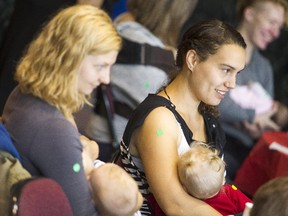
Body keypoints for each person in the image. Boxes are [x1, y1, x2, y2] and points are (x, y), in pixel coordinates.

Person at [116, 19, 246, 216]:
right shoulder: (160, 120)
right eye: (226, 70)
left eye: (237, 73)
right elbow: (175, 205)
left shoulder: (207, 117)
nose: (232, 84)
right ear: (192, 60)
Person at [1, 4, 122, 216]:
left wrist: (86, 150)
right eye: (100, 66)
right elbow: (83, 213)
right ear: (72, 59)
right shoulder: (53, 127)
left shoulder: (24, 92)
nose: (106, 79)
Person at [74, 0, 198, 162]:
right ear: (179, 13)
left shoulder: (120, 25)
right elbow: (174, 121)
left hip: (99, 137)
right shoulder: (153, 61)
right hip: (116, 154)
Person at [218, 0, 288, 180]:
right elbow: (212, 99)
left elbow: (264, 118)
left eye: (279, 27)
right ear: (250, 14)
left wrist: (260, 124)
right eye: (272, 23)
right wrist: (250, 116)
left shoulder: (264, 68)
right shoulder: (218, 47)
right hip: (212, 138)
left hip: (245, 153)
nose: (275, 33)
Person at [177, 141, 251, 215]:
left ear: (184, 187)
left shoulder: (187, 203)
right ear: (223, 180)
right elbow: (252, 208)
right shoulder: (230, 192)